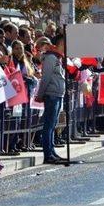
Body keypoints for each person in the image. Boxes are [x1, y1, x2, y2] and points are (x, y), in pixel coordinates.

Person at [34, 36, 65, 164]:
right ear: (59, 43)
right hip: (51, 94)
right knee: (49, 125)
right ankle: (48, 154)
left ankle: (52, 152)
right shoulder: (51, 57)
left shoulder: (57, 57)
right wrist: (40, 94)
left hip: (58, 93)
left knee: (53, 125)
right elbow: (45, 77)